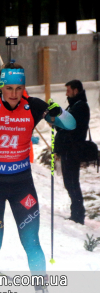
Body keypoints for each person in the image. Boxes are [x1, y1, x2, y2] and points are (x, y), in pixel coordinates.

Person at [0, 61, 76, 293]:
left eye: (19, 88)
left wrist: (57, 110)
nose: (14, 94)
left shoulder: (34, 106)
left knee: (32, 242)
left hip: (21, 184)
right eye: (8, 88)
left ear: (24, 87)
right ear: (0, 86)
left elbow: (70, 124)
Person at [54, 80, 90, 225]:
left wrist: (58, 119)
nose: (66, 93)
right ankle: (76, 212)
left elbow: (68, 125)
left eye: (68, 90)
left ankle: (78, 214)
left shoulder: (80, 106)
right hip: (68, 149)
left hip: (72, 149)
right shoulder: (74, 105)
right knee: (70, 182)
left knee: (72, 182)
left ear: (76, 90)